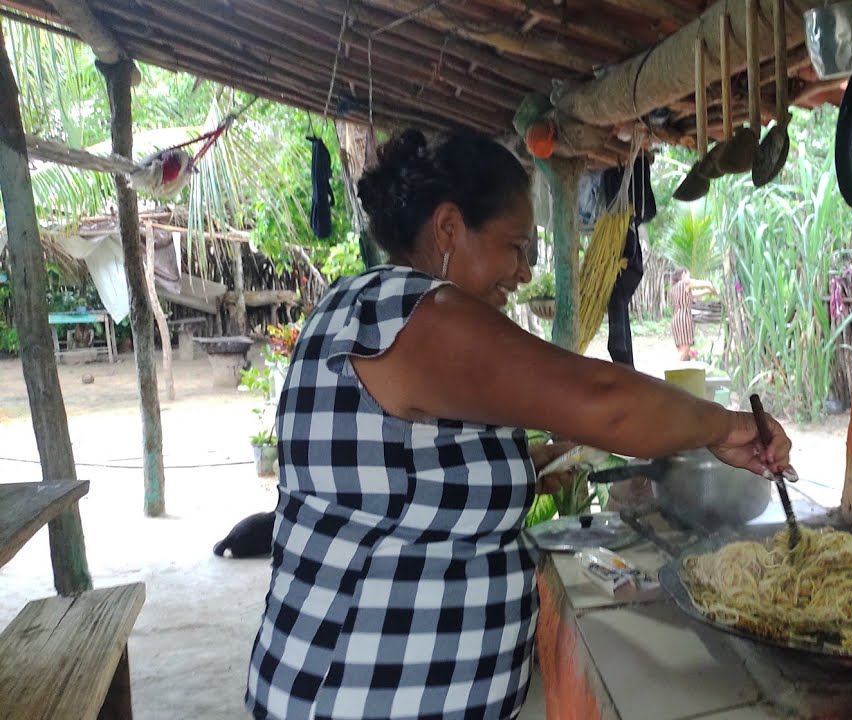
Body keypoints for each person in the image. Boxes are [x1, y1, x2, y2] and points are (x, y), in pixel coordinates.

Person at [245, 129, 793, 720]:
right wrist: (725, 428)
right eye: (516, 246)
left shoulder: (371, 311)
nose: (525, 273)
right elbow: (603, 399)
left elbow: (398, 474)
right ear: (449, 228)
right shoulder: (403, 311)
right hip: (356, 696)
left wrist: (522, 469)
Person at [668, 268, 717, 362]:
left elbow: (694, 294)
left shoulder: (674, 288)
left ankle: (679, 374)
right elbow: (705, 284)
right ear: (683, 275)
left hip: (676, 318)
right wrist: (711, 287)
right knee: (685, 350)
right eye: (688, 275)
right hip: (684, 318)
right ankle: (672, 371)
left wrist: (708, 291)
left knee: (681, 350)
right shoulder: (685, 283)